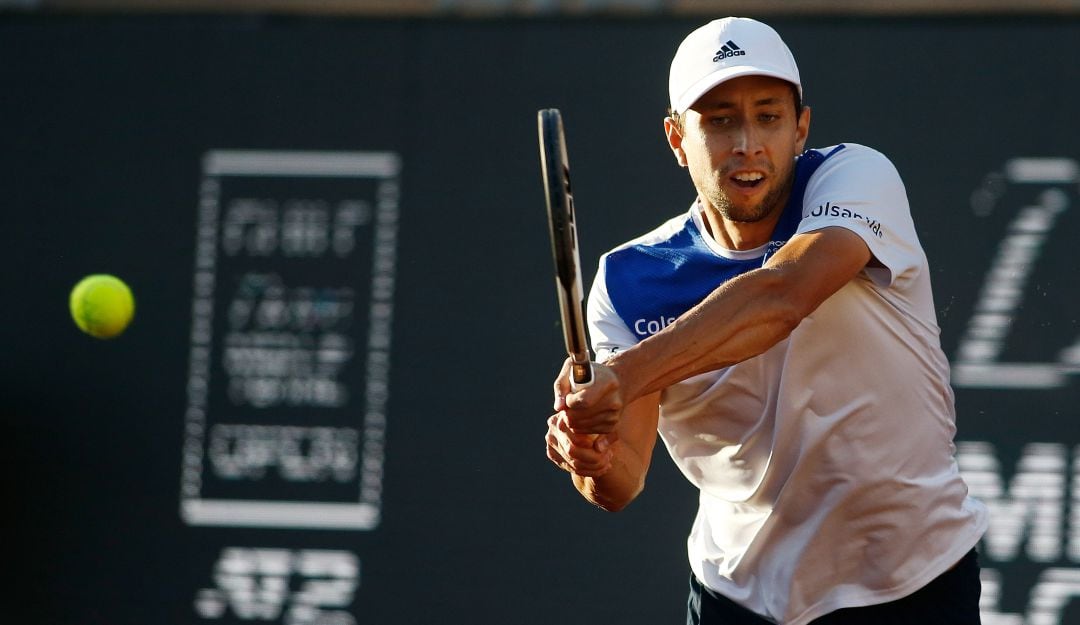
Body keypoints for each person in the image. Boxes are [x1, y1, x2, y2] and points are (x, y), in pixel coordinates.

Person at [544, 16, 988, 625]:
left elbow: (783, 295)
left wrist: (623, 375)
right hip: (738, 600)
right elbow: (624, 480)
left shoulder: (855, 178)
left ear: (800, 127)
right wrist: (591, 457)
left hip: (913, 582)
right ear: (677, 138)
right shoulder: (627, 282)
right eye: (719, 120)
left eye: (769, 116)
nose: (747, 143)